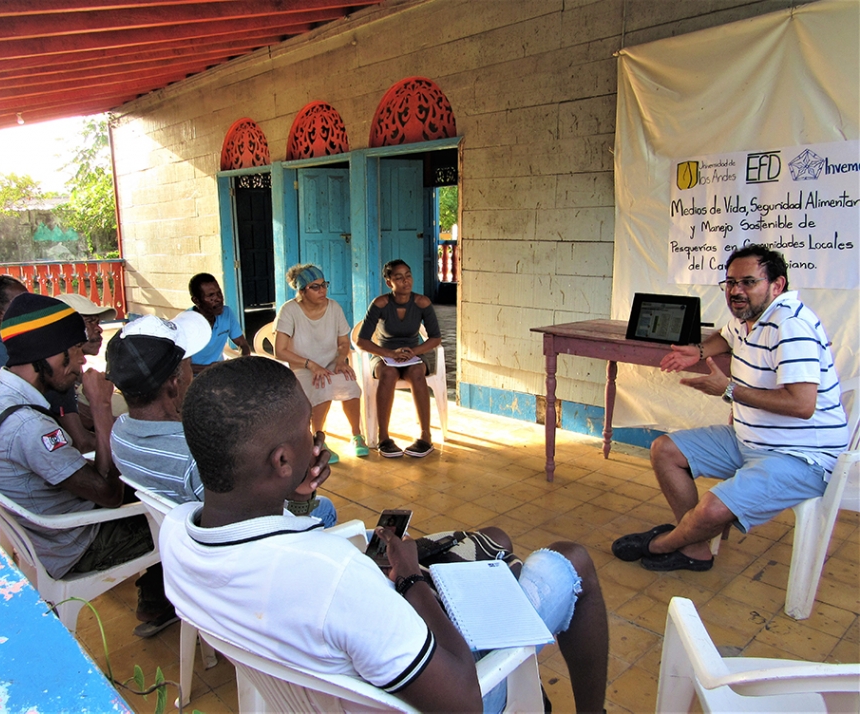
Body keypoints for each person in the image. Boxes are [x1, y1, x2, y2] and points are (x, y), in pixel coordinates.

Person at [161, 357, 608, 713]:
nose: (314, 437)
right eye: (306, 430)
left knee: (493, 540)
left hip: (330, 684)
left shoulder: (178, 536)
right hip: (439, 691)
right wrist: (411, 580)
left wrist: (294, 497)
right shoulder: (335, 576)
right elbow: (463, 702)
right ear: (280, 461)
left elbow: (291, 569)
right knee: (572, 561)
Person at [613, 245, 849, 572]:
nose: (736, 291)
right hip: (748, 439)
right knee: (664, 450)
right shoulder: (749, 317)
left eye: (748, 282)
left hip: (802, 456)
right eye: (730, 283)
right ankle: (694, 547)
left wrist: (728, 390)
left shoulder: (790, 326)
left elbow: (802, 404)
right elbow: (724, 338)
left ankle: (661, 543)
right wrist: (696, 351)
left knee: (711, 511)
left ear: (777, 285)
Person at [0, 293, 176, 638]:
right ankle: (166, 601)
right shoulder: (29, 428)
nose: (79, 363)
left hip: (39, 529)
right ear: (46, 352)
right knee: (177, 513)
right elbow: (108, 493)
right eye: (74, 350)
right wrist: (102, 406)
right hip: (76, 544)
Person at [107, 313, 339, 527]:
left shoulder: (119, 433)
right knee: (326, 508)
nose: (192, 373)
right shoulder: (200, 457)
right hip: (249, 551)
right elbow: (260, 528)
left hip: (178, 535)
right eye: (189, 365)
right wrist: (301, 494)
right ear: (175, 384)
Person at [274, 264, 368, 463]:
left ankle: (357, 435)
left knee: (350, 383)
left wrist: (341, 360)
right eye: (315, 287)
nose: (322, 290)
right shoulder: (289, 310)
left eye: (324, 285)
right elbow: (280, 351)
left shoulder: (333, 307)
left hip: (331, 363)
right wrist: (311, 365)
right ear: (301, 291)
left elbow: (344, 342)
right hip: (302, 368)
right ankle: (318, 439)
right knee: (322, 385)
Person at [357, 260, 440, 458]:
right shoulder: (380, 304)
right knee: (388, 374)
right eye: (398, 277)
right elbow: (362, 341)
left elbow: (436, 338)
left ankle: (425, 437)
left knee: (417, 373)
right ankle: (383, 437)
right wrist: (389, 354)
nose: (405, 281)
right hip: (385, 357)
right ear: (389, 282)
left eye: (408, 275)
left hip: (413, 355)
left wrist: (414, 351)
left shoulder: (422, 303)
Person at [45, 293, 120, 453]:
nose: (99, 329)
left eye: (98, 322)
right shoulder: (60, 378)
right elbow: (82, 444)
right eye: (89, 322)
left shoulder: (76, 369)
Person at [186, 272, 251, 373]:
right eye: (211, 295)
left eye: (219, 293)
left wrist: (242, 362)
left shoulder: (227, 313)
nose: (219, 299)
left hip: (218, 372)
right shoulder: (186, 323)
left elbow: (243, 344)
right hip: (194, 378)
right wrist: (209, 368)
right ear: (196, 300)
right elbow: (179, 368)